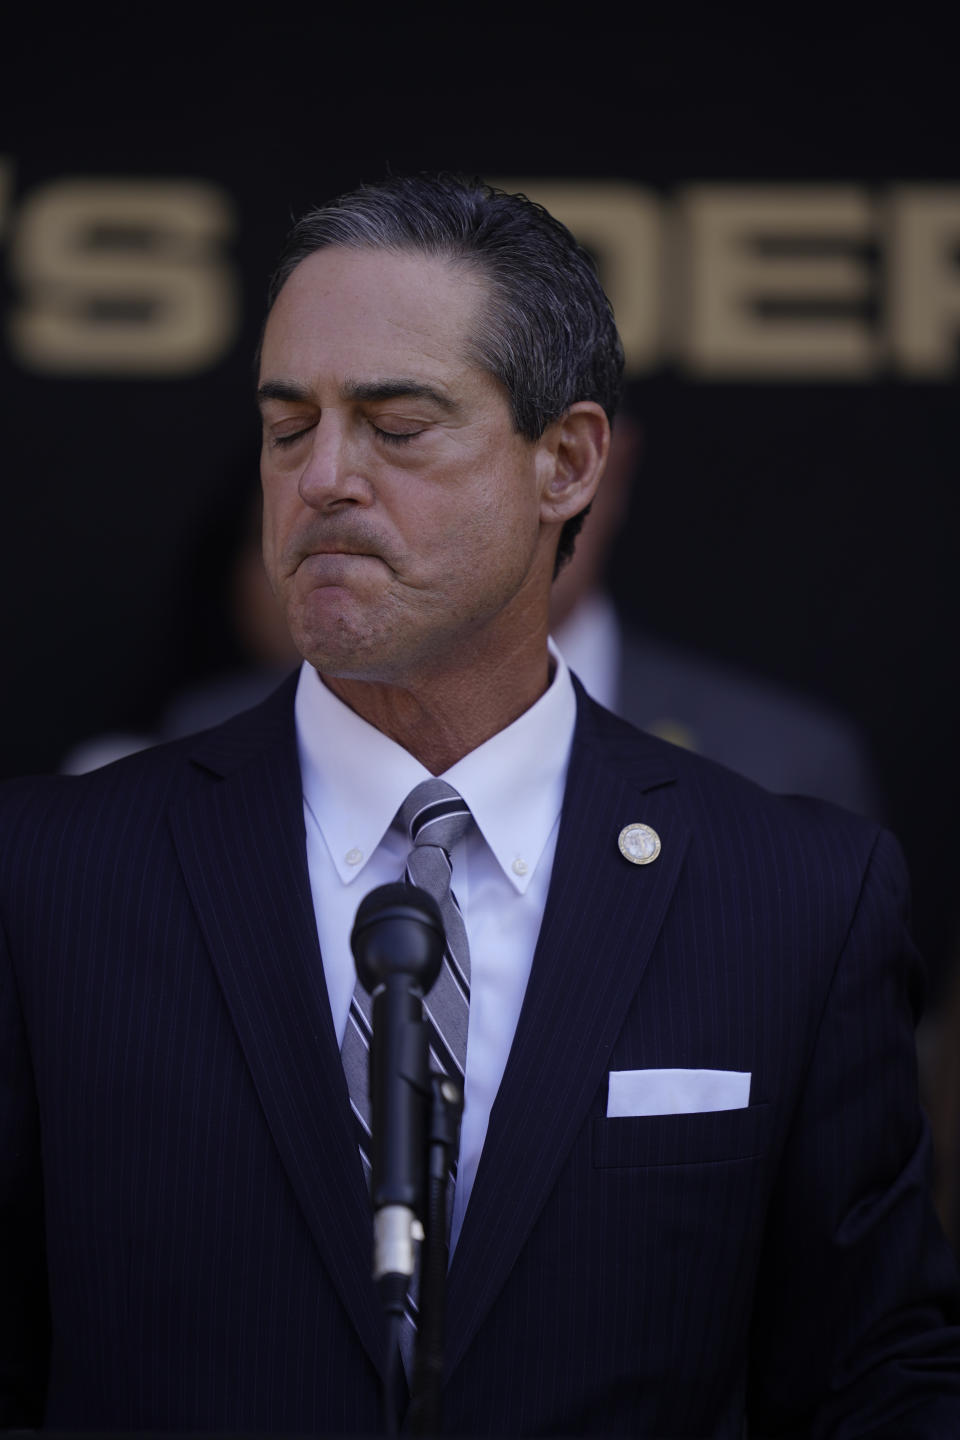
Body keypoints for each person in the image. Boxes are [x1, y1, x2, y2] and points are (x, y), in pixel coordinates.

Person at [1, 173, 958, 1437]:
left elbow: (875, 1376)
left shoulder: (792, 895)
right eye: (289, 427)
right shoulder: (51, 877)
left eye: (396, 426)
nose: (323, 477)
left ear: (567, 462)